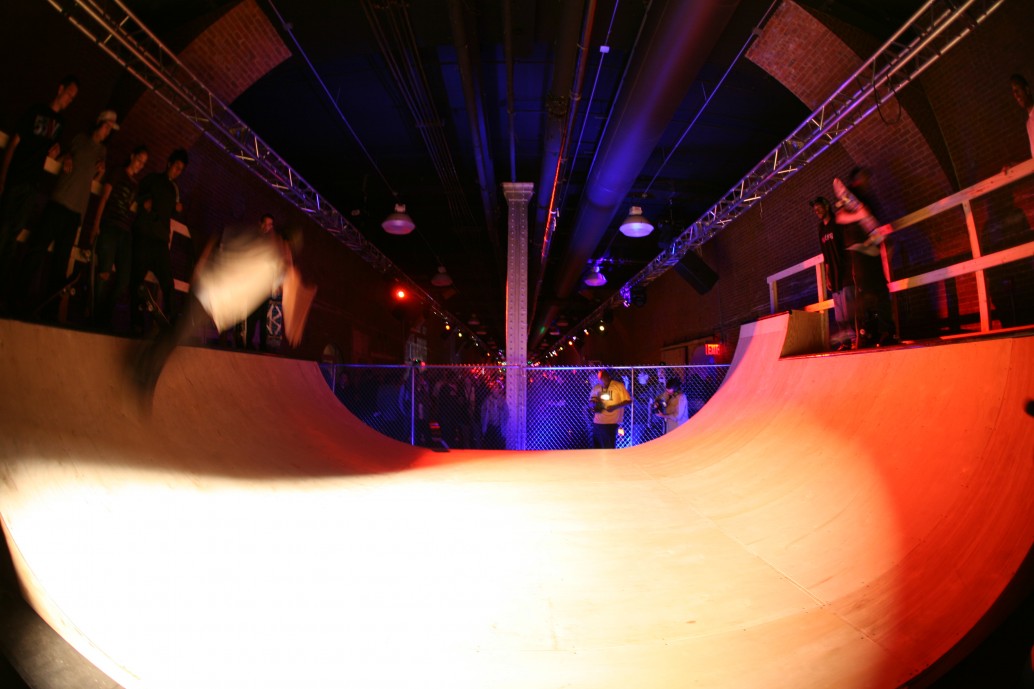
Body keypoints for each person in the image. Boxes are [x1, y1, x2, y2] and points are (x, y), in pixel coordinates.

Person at [129, 221, 315, 413]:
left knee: (181, 333)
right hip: (208, 293)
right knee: (179, 335)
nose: (287, 256)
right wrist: (200, 266)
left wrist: (294, 315)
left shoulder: (275, 261)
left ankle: (148, 355)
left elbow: (288, 287)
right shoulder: (266, 246)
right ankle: (143, 376)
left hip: (213, 302)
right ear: (283, 241)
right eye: (288, 250)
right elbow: (219, 238)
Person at [19, 110, 117, 319]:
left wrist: (101, 172)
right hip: (59, 201)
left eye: (111, 129)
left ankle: (49, 310)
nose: (108, 131)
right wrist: (68, 157)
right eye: (107, 126)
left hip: (75, 212)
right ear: (99, 123)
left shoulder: (102, 151)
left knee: (61, 262)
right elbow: (62, 156)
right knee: (36, 249)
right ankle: (17, 298)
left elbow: (96, 179)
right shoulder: (79, 138)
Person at [0, 75, 79, 280]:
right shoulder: (36, 111)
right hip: (17, 176)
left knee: (15, 232)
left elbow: (54, 151)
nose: (70, 100)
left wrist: (64, 155)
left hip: (33, 183)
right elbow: (14, 143)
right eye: (69, 94)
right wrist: (3, 177)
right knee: (3, 228)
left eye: (73, 98)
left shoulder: (60, 124)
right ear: (60, 89)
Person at [835, 167, 897, 348]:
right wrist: (859, 215)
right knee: (866, 292)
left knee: (881, 290)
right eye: (863, 177)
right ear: (856, 179)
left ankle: (885, 332)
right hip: (860, 253)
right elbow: (840, 217)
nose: (867, 181)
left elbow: (874, 225)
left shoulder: (869, 199)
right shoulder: (849, 195)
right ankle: (865, 333)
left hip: (873, 251)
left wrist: (885, 240)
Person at [130, 148, 188, 334]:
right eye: (176, 167)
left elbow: (172, 213)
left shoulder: (173, 189)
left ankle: (172, 318)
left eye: (181, 170)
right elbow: (139, 193)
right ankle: (136, 321)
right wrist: (145, 201)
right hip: (144, 236)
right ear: (169, 163)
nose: (177, 172)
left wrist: (177, 210)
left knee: (168, 281)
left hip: (160, 241)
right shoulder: (152, 179)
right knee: (136, 278)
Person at [92, 144, 148, 331]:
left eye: (143, 163)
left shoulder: (136, 185)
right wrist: (96, 224)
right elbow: (104, 197)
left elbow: (132, 208)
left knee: (124, 279)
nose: (140, 165)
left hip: (125, 231)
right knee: (104, 271)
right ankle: (96, 317)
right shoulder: (118, 172)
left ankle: (105, 315)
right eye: (139, 160)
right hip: (110, 225)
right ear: (132, 156)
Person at [812, 196, 854, 349]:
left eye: (819, 208)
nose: (817, 211)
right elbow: (826, 256)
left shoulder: (837, 223)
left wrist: (852, 268)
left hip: (845, 271)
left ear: (827, 206)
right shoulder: (821, 230)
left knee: (849, 308)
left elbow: (847, 246)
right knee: (839, 312)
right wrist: (827, 276)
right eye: (815, 210)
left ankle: (855, 339)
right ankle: (845, 342)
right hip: (834, 275)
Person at [236, 213, 275, 350]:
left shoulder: (269, 242)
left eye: (270, 225)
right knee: (252, 314)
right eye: (266, 224)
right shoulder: (255, 238)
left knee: (263, 316)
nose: (267, 227)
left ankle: (263, 345)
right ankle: (248, 343)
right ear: (260, 223)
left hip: (264, 285)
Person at [589, 369, 630, 449]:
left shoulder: (618, 386)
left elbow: (628, 401)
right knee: (597, 448)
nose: (602, 383)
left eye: (604, 380)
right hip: (597, 422)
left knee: (609, 447)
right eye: (600, 380)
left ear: (609, 377)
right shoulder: (596, 387)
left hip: (612, 422)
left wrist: (614, 407)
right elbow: (590, 402)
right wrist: (594, 404)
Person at [1009, 74, 1034, 160]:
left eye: (1017, 90)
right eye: (1014, 92)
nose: (1016, 95)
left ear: (1027, 90)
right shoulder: (1029, 124)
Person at [481, 381, 507, 449]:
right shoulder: (487, 400)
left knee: (499, 445)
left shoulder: (502, 400)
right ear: (491, 390)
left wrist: (502, 409)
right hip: (490, 426)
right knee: (490, 445)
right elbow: (483, 413)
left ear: (499, 390)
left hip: (499, 426)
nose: (495, 390)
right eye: (493, 388)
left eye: (497, 388)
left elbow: (506, 413)